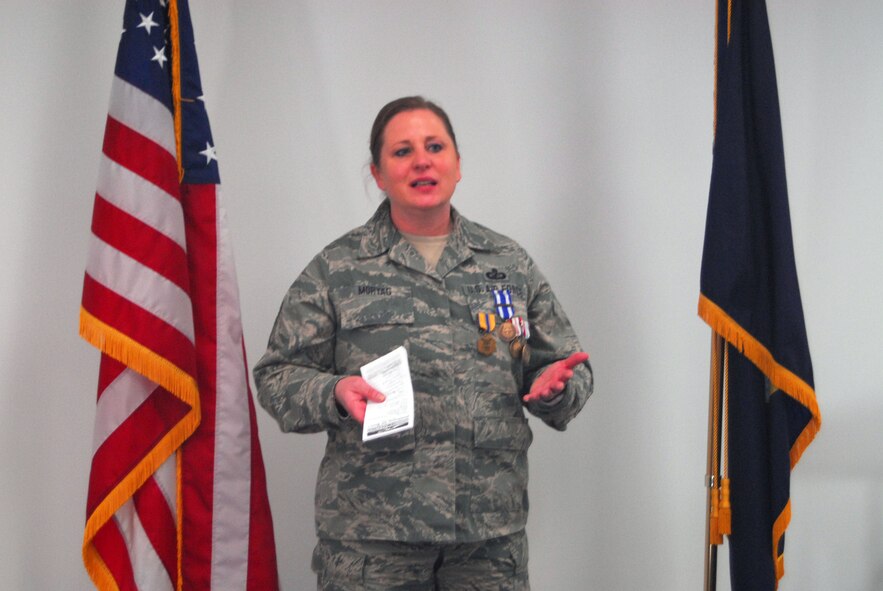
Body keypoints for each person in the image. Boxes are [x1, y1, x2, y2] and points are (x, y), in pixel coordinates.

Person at [254, 96, 593, 590]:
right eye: (402, 151)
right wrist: (334, 392)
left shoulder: (508, 264)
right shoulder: (338, 268)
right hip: (373, 541)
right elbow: (277, 376)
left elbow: (565, 366)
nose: (421, 161)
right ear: (377, 173)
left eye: (435, 147)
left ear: (458, 164)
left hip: (486, 542)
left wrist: (554, 388)